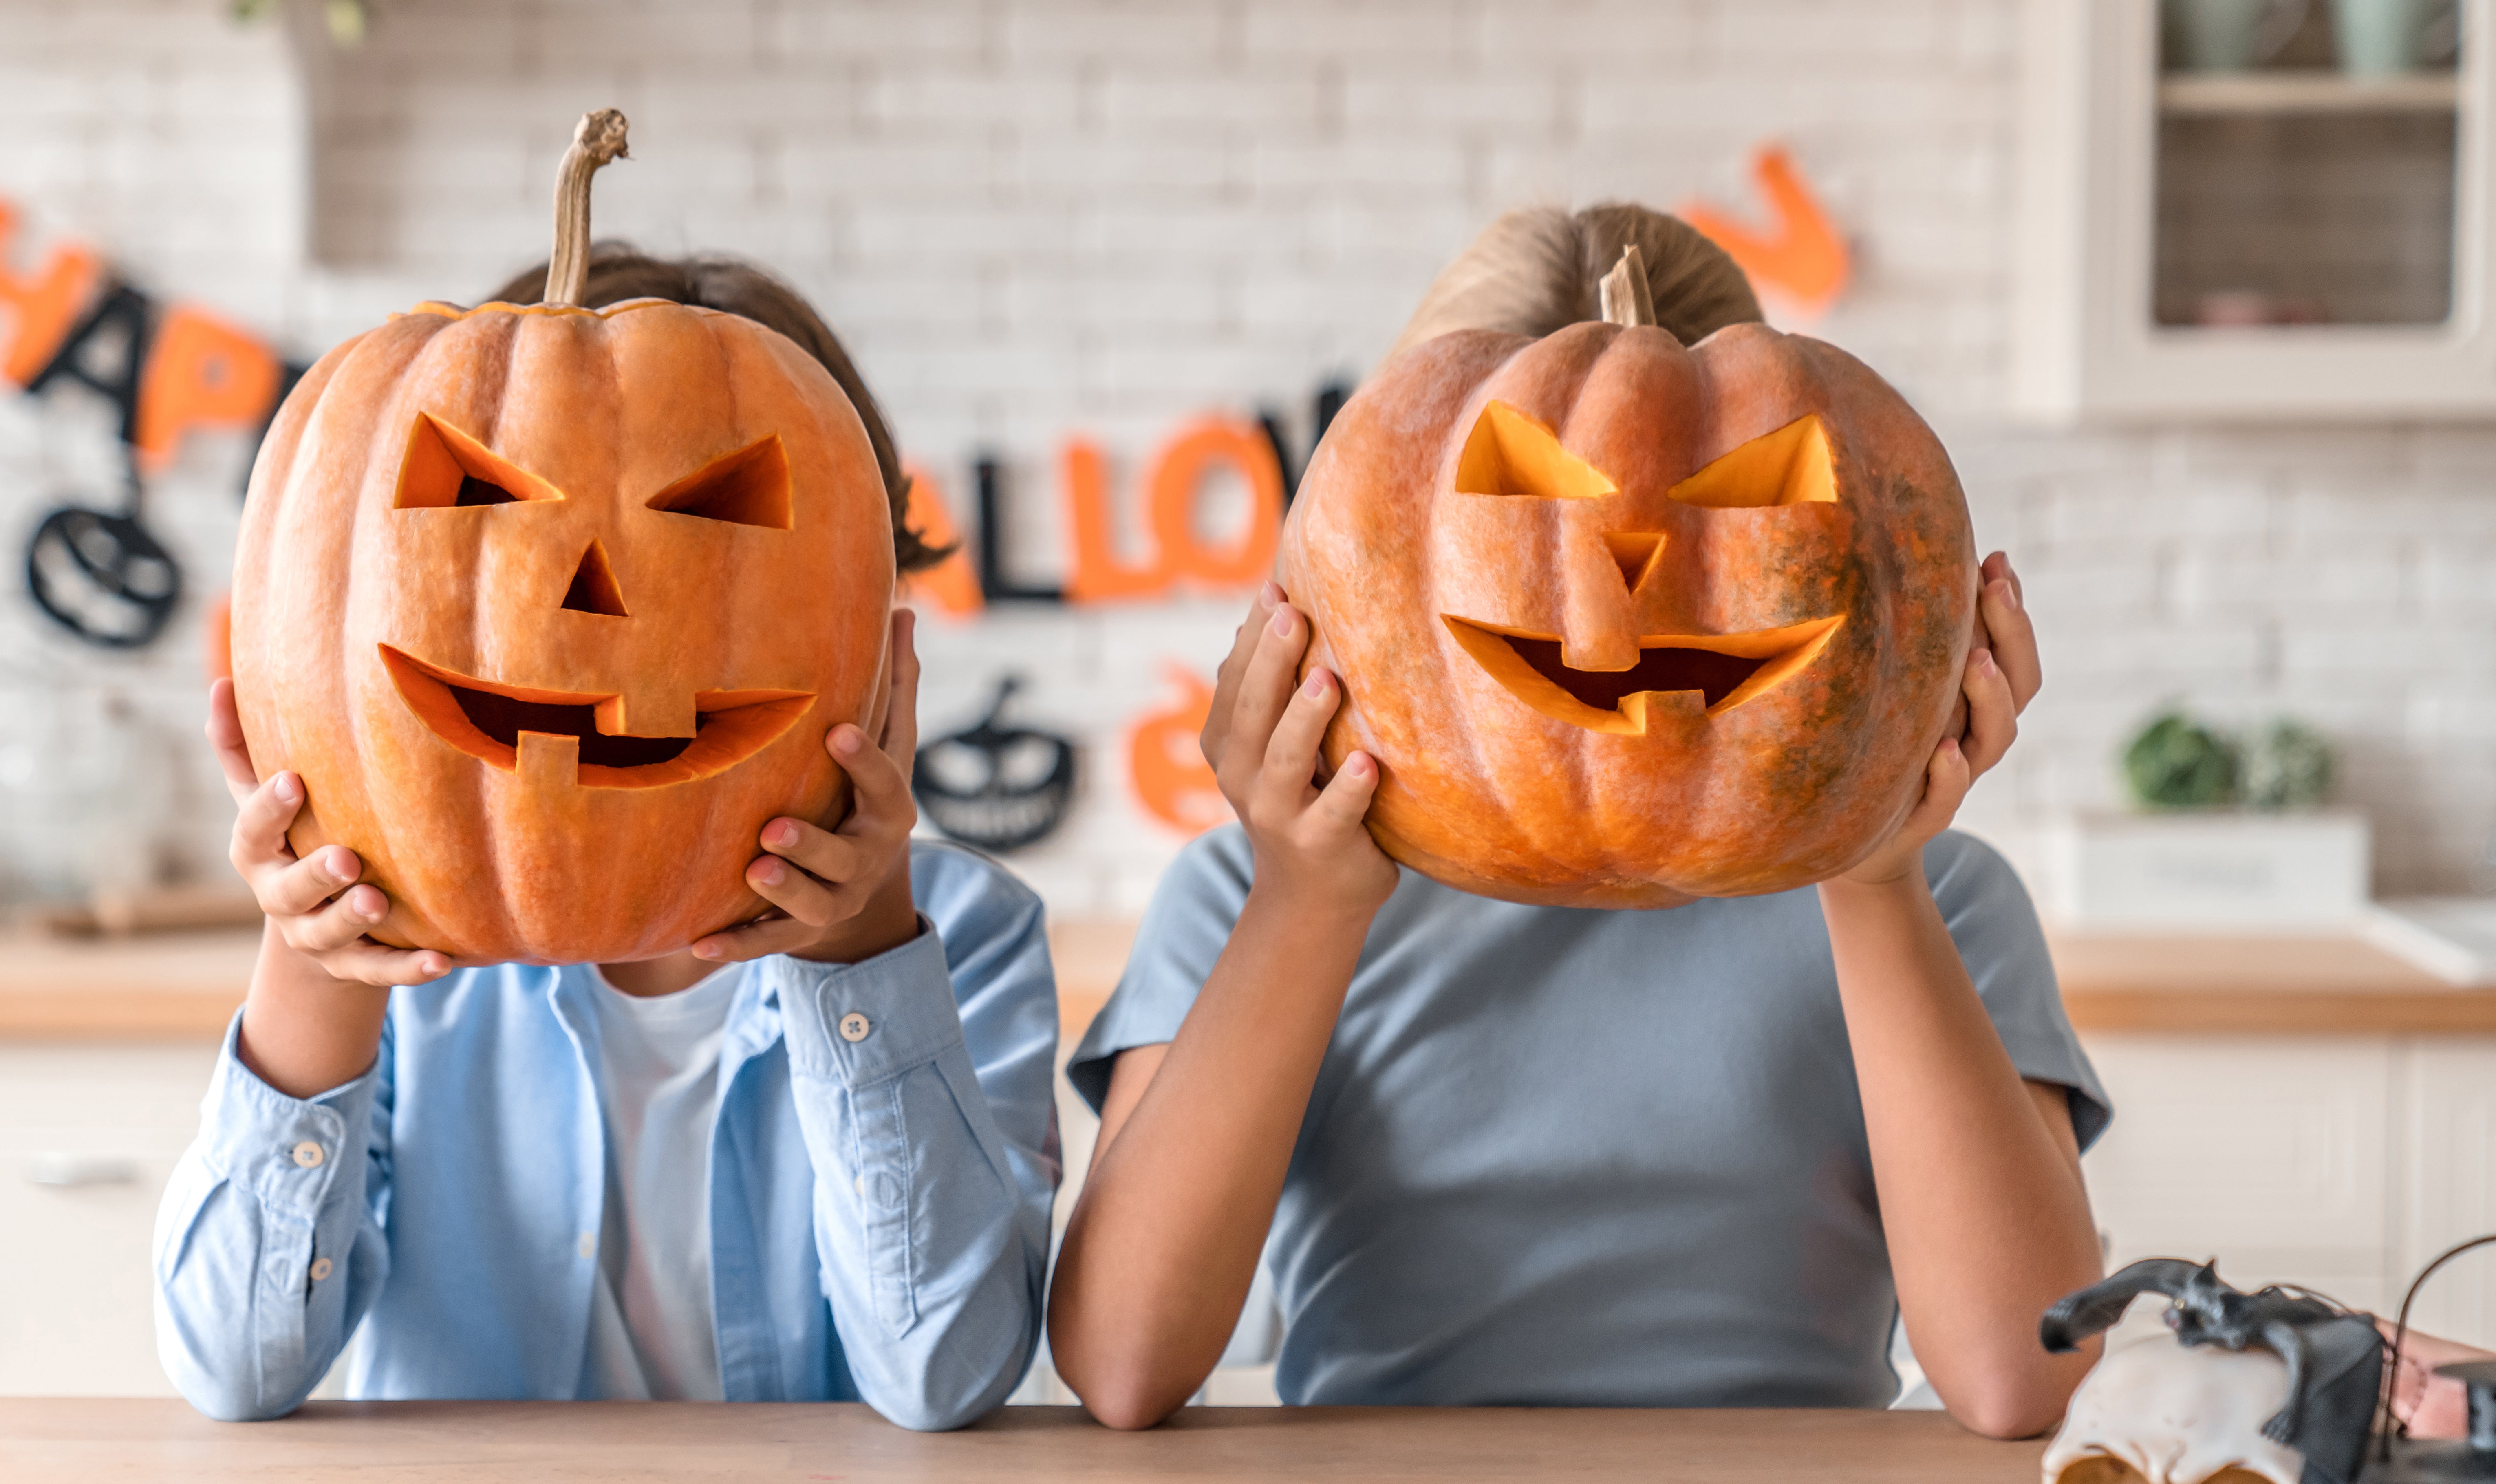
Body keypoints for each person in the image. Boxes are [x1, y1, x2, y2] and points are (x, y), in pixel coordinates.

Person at [1046, 205, 2110, 1437]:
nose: (1619, 584)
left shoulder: (1938, 894)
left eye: (1736, 498)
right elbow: (1123, 1368)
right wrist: (1306, 899)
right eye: (1519, 496)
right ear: (1379, 544)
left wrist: (1866, 862)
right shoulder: (1245, 895)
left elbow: (2024, 1377)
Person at [156, 251, 1058, 1431]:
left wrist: (863, 941)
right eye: (487, 501)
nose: (600, 609)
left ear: (870, 607)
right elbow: (233, 1367)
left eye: (720, 517)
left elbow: (942, 1376)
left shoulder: (965, 938)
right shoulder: (413, 966)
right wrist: (324, 948)